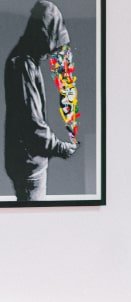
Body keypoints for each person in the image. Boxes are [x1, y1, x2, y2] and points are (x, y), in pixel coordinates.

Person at [4, 0, 77, 202]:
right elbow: (32, 124)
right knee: (35, 222)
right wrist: (61, 148)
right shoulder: (22, 65)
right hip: (29, 167)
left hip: (27, 164)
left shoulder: (25, 62)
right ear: (43, 36)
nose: (52, 50)